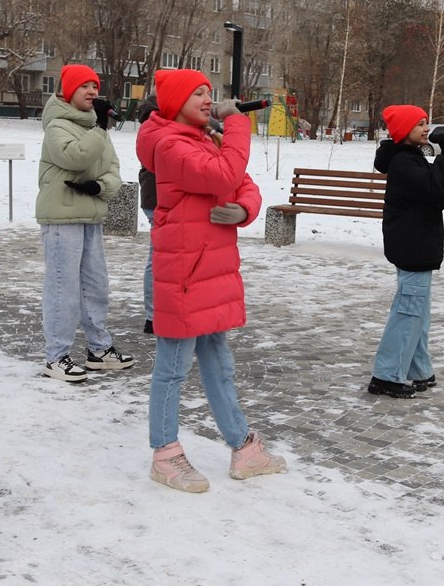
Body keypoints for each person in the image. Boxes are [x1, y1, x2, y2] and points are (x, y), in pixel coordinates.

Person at [136, 69, 286, 493]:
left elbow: (243, 183)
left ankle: (244, 447)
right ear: (174, 102)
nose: (208, 99)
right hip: (185, 273)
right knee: (173, 366)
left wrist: (243, 211)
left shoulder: (206, 140)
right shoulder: (169, 146)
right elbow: (223, 176)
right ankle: (165, 455)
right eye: (197, 93)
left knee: (220, 362)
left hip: (211, 271)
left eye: (209, 92)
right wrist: (238, 121)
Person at [36, 64, 131, 382]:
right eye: (84, 87)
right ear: (67, 92)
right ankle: (57, 356)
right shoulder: (57, 125)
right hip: (62, 218)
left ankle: (99, 349)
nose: (92, 92)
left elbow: (114, 169)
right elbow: (74, 157)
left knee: (95, 284)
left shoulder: (95, 128)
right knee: (63, 287)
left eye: (95, 86)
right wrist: (100, 130)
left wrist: (99, 187)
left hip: (90, 214)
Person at [367, 105, 444, 399]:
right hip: (413, 245)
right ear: (403, 130)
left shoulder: (413, 158)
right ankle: (386, 375)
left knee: (418, 311)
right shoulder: (403, 163)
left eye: (426, 122)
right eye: (419, 124)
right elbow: (437, 191)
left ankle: (417, 368)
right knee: (408, 311)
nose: (426, 128)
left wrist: (443, 166)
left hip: (419, 243)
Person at [137, 95, 159, 335]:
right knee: (158, 258)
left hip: (155, 197)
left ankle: (154, 316)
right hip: (158, 198)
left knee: (159, 258)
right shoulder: (155, 125)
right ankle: (153, 316)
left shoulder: (152, 122)